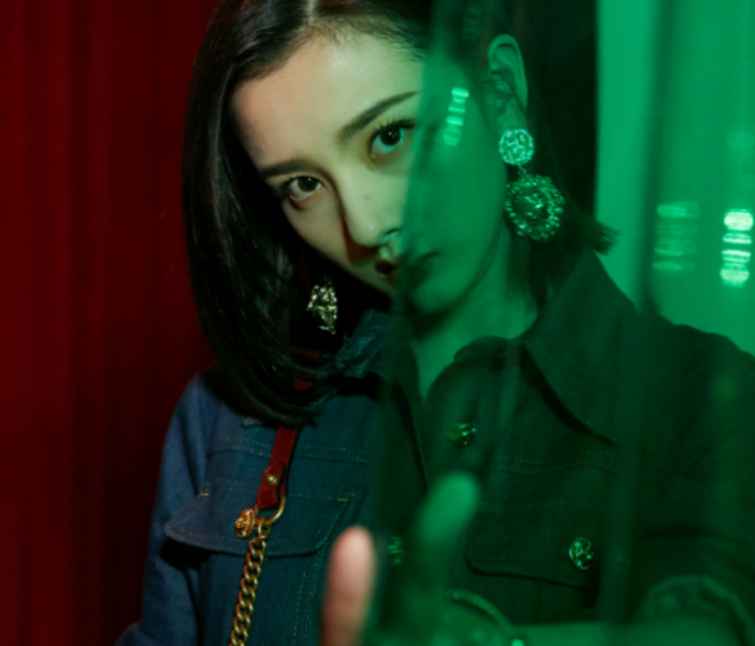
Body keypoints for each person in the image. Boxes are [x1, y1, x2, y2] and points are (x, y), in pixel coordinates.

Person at [116, 0, 755, 645]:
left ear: (500, 92)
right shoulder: (228, 423)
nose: (365, 225)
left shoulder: (700, 401)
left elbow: (712, 618)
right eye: (303, 184)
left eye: (390, 136)